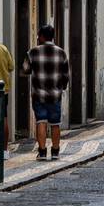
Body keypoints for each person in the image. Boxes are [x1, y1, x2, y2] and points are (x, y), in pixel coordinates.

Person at [20, 24, 70, 161]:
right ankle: (55, 151)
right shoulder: (61, 53)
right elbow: (66, 75)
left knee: (40, 121)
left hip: (38, 94)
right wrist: (62, 87)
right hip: (55, 95)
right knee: (55, 123)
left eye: (38, 35)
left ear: (41, 36)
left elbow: (25, 70)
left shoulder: (33, 52)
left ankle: (42, 152)